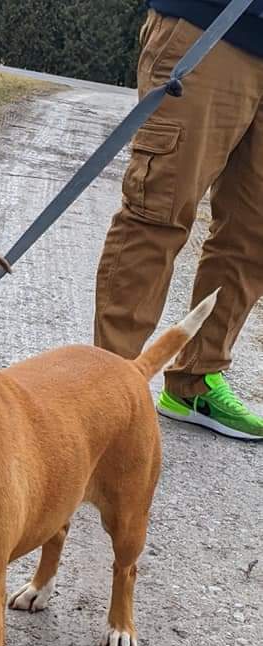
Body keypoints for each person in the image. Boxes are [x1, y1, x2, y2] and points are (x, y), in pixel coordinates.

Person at [94, 0, 263, 440]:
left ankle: (196, 380)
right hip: (210, 28)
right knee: (158, 215)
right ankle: (109, 390)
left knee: (252, 236)